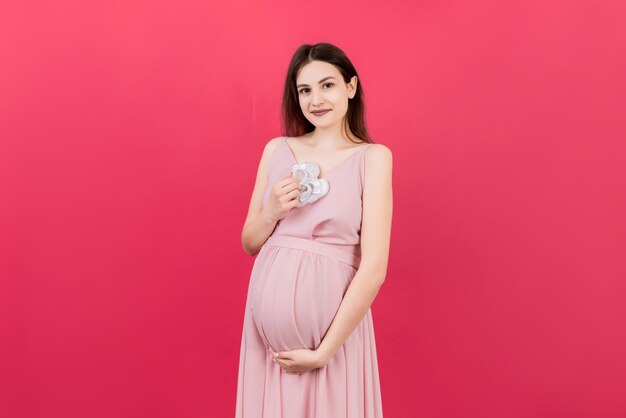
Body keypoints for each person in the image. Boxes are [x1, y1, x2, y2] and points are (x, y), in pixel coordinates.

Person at [236, 42, 393, 418]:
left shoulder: (372, 158)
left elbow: (373, 268)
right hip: (266, 348)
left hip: (331, 344)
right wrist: (272, 210)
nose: (316, 99)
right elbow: (250, 242)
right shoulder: (277, 150)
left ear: (350, 88)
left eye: (327, 85)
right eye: (304, 90)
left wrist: (325, 351)